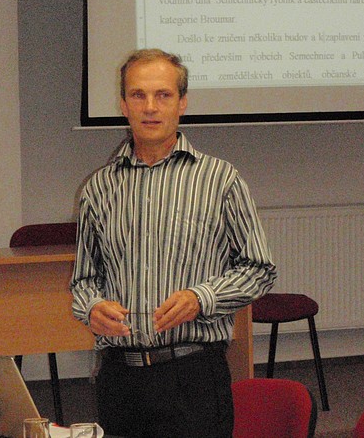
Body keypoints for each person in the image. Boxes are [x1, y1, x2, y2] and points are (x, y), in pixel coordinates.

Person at [70, 48, 277, 438]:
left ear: (182, 103)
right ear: (123, 105)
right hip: (120, 378)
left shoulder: (220, 180)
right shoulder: (99, 187)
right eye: (138, 95)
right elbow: (84, 279)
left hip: (192, 377)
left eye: (163, 95)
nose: (150, 107)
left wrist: (202, 298)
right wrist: (92, 307)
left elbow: (259, 269)